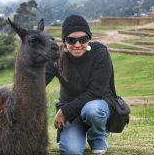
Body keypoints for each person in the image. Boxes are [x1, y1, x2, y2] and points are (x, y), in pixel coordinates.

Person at [45, 14, 114, 155]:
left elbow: (96, 92)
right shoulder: (57, 58)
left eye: (83, 39)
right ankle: (79, 131)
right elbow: (39, 82)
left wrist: (64, 111)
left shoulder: (100, 53)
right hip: (71, 113)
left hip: (97, 104)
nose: (77, 45)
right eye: (71, 40)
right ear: (64, 41)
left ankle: (97, 136)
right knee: (71, 151)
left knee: (92, 110)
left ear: (89, 39)